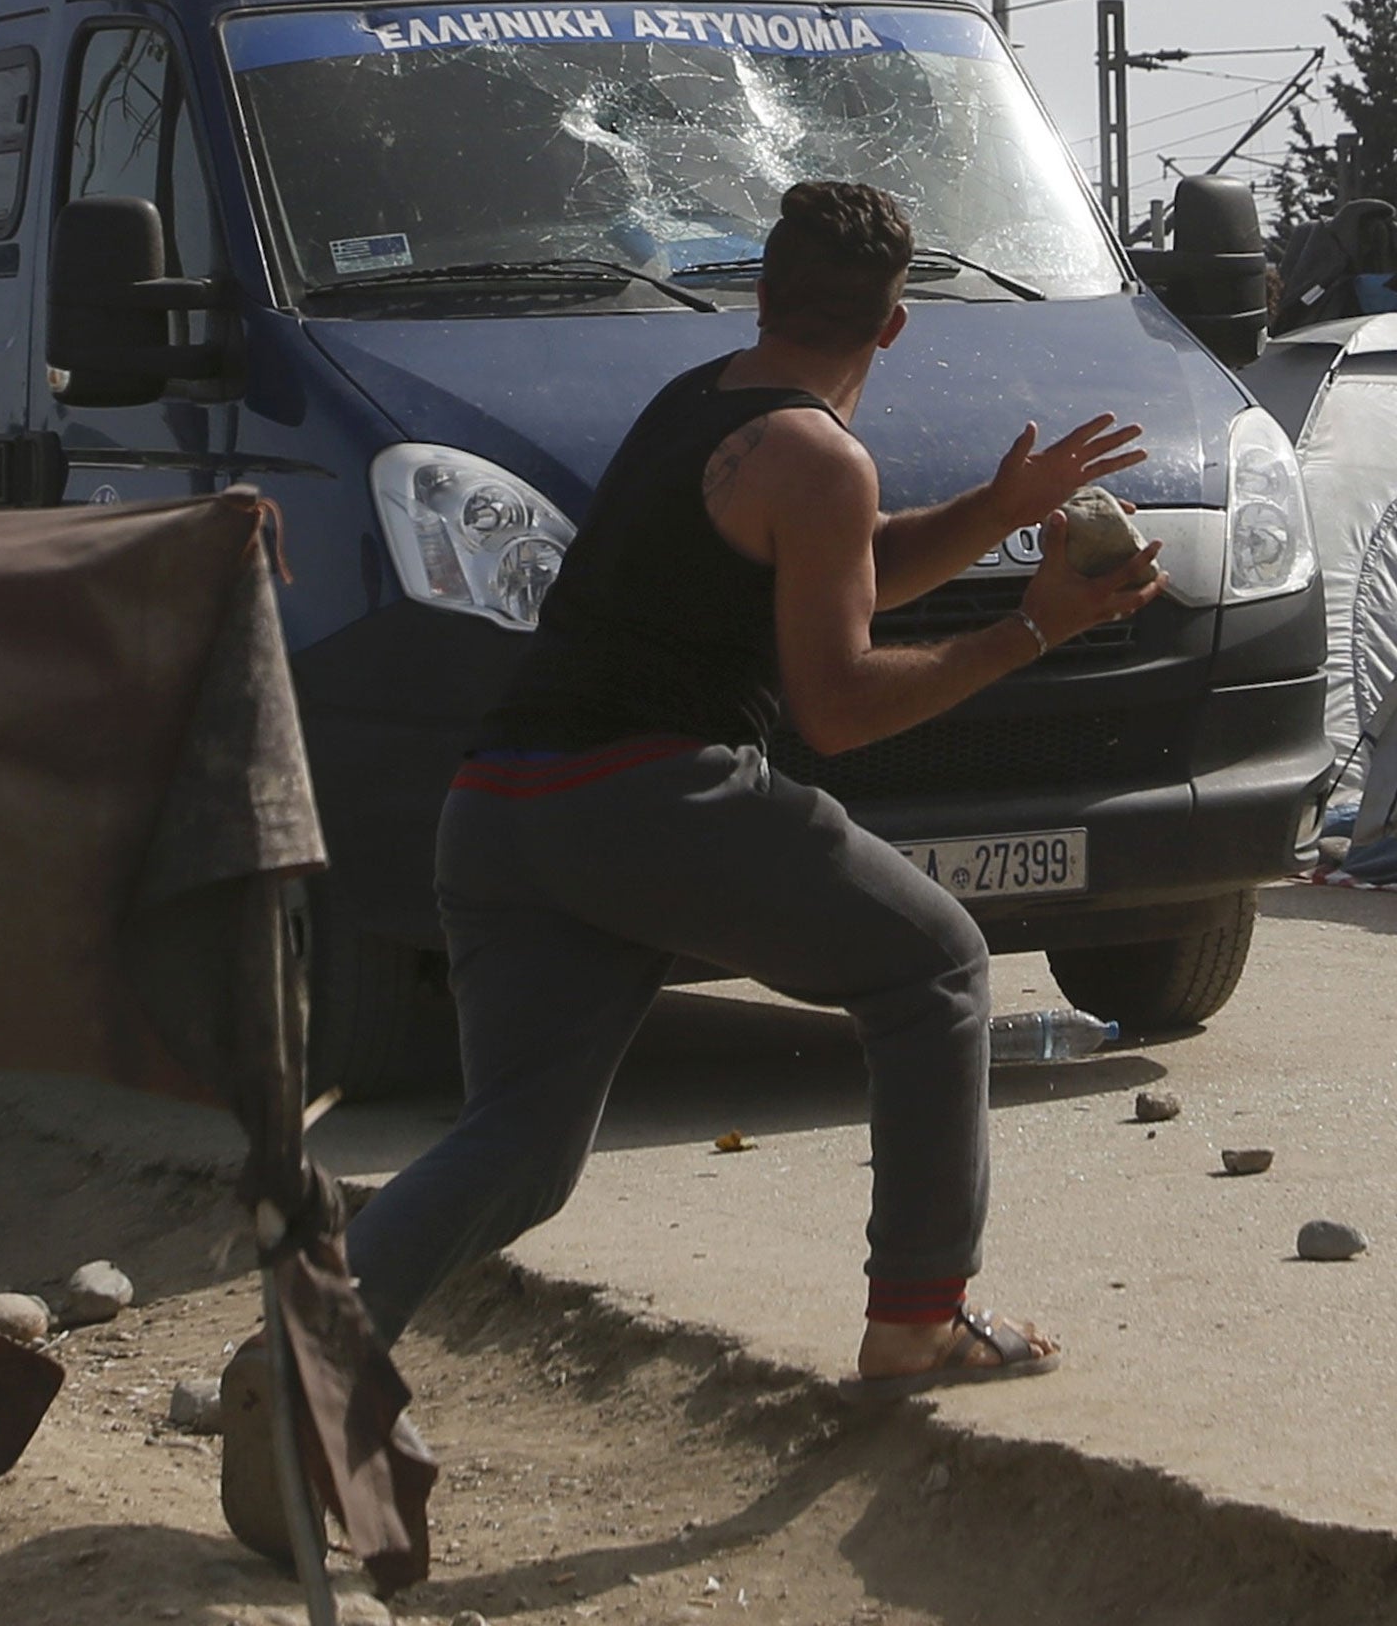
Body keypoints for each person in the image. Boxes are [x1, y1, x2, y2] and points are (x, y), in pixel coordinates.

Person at [225, 180, 1167, 1559]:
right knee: (940, 965)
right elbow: (836, 703)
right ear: (895, 325)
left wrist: (996, 508)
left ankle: (313, 1338)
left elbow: (844, 570)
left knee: (524, 1149)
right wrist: (1032, 629)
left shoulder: (698, 406)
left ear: (762, 295)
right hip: (649, 795)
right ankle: (916, 1320)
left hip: (498, 811)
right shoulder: (822, 457)